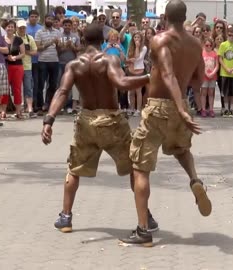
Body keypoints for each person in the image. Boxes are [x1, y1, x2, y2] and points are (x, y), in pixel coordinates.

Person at [40, 24, 158, 234]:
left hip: (87, 121)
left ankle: (65, 217)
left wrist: (49, 120)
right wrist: (149, 77)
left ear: (82, 42)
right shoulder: (109, 60)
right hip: (112, 121)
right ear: (102, 41)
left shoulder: (75, 65)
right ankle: (145, 215)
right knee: (134, 168)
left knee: (74, 169)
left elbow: (62, 91)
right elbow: (122, 83)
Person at [119, 0, 208, 247]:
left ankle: (143, 230)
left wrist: (178, 104)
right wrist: (184, 107)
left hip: (158, 106)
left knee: (140, 166)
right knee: (181, 149)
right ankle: (195, 179)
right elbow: (200, 77)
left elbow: (167, 73)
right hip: (181, 108)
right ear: (185, 16)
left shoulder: (159, 40)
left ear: (165, 17)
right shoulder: (196, 43)